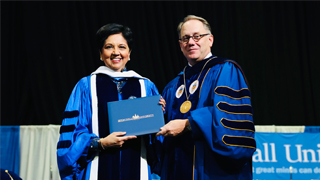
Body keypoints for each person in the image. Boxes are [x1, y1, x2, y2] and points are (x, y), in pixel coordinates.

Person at [57, 23, 164, 180]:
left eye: (122, 47)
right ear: (101, 53)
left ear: (129, 53)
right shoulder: (86, 86)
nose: (116, 52)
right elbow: (72, 133)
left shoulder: (146, 86)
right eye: (109, 47)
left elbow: (157, 139)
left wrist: (160, 115)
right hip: (97, 168)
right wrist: (99, 143)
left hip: (139, 168)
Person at [156, 15, 256, 180]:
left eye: (197, 36)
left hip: (213, 170)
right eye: (185, 38)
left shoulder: (226, 71)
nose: (191, 42)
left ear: (210, 40)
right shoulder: (172, 86)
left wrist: (188, 124)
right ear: (180, 45)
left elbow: (230, 118)